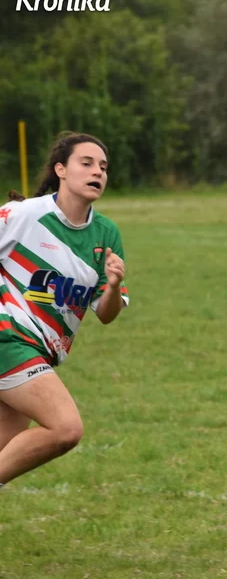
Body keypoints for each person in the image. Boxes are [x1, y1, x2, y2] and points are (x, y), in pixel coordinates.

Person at [0, 132, 128, 490]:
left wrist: (114, 285)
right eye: (86, 163)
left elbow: (106, 313)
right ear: (61, 170)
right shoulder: (25, 214)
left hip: (37, 352)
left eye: (103, 167)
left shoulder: (106, 233)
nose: (97, 171)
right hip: (10, 340)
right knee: (66, 427)